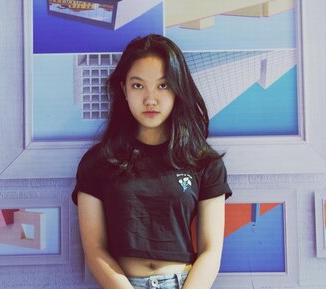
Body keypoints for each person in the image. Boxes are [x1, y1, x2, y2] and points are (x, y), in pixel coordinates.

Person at [72, 34, 232, 289]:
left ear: (178, 89)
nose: (150, 99)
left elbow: (211, 251)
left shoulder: (204, 163)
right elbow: (95, 250)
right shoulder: (97, 162)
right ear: (123, 89)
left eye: (163, 85)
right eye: (138, 86)